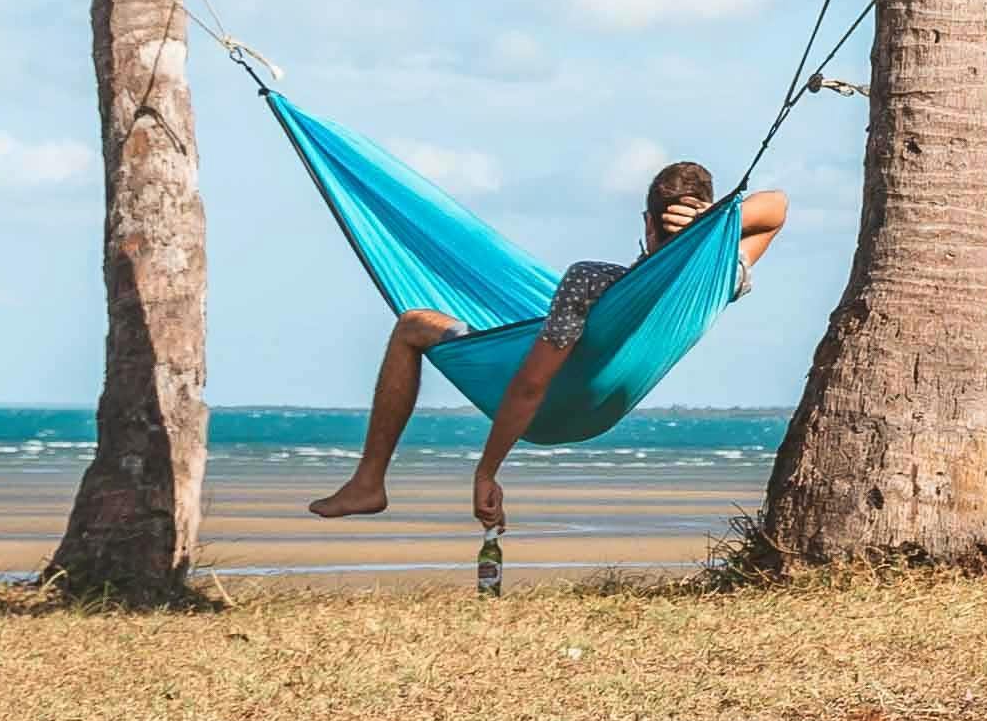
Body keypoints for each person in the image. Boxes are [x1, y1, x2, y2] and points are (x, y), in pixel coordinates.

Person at [311, 159, 789, 528]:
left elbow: (530, 386)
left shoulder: (591, 282)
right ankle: (367, 483)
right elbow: (776, 208)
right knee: (513, 324)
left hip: (541, 403)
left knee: (413, 324)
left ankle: (369, 481)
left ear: (647, 222)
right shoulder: (722, 278)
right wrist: (715, 224)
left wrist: (486, 471)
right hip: (599, 414)